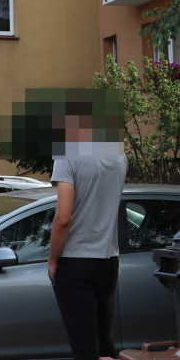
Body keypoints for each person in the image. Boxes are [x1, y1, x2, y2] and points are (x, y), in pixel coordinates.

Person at [48, 153, 127, 360]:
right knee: (104, 345)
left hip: (75, 261)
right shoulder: (119, 156)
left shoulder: (68, 155)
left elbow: (63, 217)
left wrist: (52, 259)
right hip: (109, 259)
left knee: (85, 348)